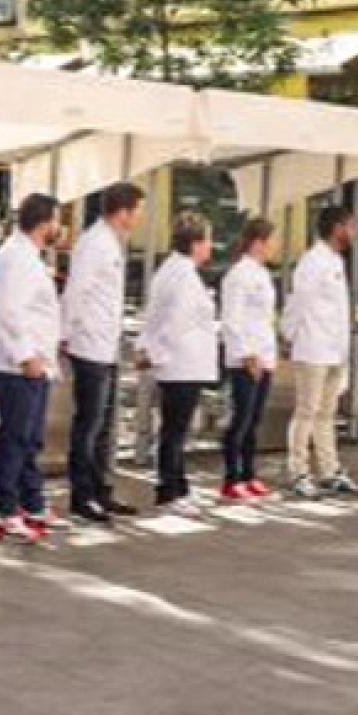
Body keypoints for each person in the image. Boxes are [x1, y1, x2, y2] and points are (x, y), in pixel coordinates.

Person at [0, 193, 64, 543]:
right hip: (15, 366)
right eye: (57, 220)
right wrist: (25, 355)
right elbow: (8, 311)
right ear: (45, 223)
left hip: (31, 364)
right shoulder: (18, 258)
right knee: (16, 440)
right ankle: (3, 511)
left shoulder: (26, 256)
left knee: (30, 440)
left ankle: (31, 503)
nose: (60, 227)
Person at [61, 181, 145, 523]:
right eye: (137, 211)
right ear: (123, 211)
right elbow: (77, 292)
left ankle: (100, 489)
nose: (139, 218)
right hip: (89, 344)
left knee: (104, 426)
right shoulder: (94, 243)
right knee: (89, 424)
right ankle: (82, 494)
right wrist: (66, 333)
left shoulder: (111, 242)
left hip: (105, 344)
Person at [139, 213, 219, 516]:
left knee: (176, 428)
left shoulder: (173, 270)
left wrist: (150, 350)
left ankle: (178, 485)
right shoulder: (183, 275)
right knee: (175, 429)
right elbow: (175, 321)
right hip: (182, 363)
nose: (210, 246)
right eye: (207, 240)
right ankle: (169, 490)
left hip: (181, 363)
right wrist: (155, 353)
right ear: (196, 243)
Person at [281, 206, 358, 500]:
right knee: (307, 411)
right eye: (351, 226)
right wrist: (288, 335)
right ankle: (298, 471)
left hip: (334, 350)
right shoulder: (312, 262)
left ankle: (329, 469)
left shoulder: (336, 260)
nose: (355, 232)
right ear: (337, 228)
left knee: (327, 413)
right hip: (313, 348)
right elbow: (298, 302)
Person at [219, 218, 278, 502]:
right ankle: (231, 476)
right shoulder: (238, 275)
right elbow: (232, 319)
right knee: (241, 417)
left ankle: (248, 473)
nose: (274, 247)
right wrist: (246, 354)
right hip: (246, 357)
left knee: (254, 419)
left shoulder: (262, 273)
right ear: (258, 243)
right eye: (271, 241)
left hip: (264, 354)